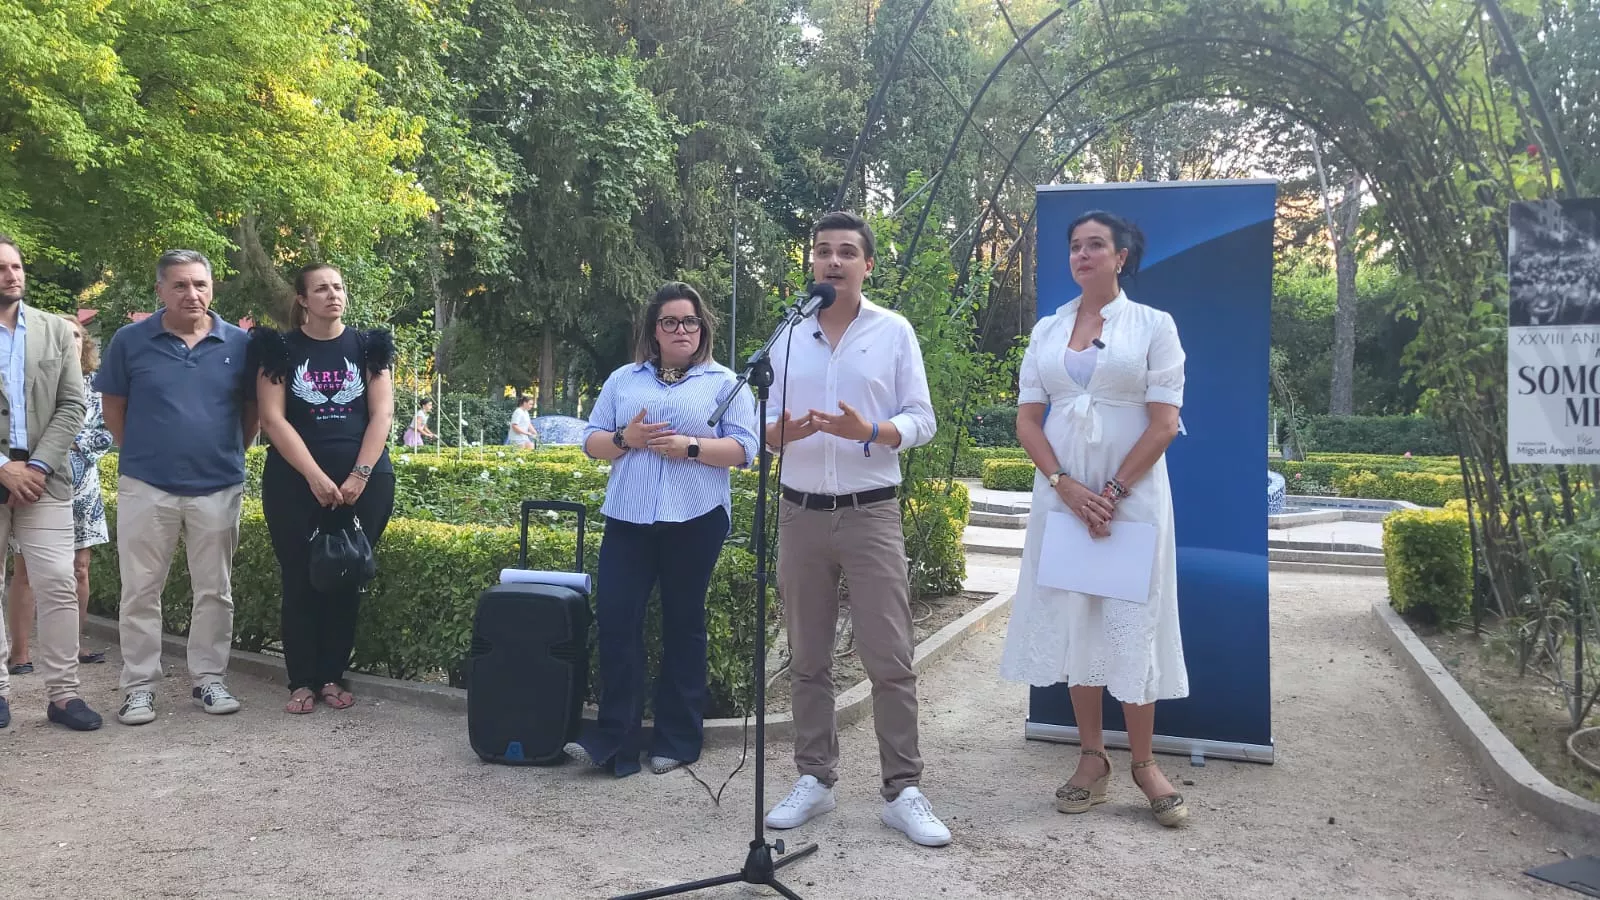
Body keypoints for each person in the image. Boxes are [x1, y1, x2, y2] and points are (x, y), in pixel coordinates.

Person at [761, 212, 949, 847]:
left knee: (889, 656)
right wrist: (783, 432)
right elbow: (764, 429)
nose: (833, 261)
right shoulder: (787, 335)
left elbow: (922, 418)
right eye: (822, 251)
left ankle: (903, 790)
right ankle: (815, 778)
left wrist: (867, 430)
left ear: (867, 265)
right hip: (800, 512)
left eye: (846, 252)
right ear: (811, 263)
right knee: (807, 656)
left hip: (871, 511)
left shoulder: (892, 331)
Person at [998, 210, 1190, 828]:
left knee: (1133, 620)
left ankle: (1144, 764)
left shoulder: (1154, 326)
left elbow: (1165, 422)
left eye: (1096, 245)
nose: (1083, 255)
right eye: (1076, 246)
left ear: (1121, 257)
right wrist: (1068, 487)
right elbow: (1028, 419)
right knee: (1078, 617)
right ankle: (1091, 759)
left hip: (1131, 500)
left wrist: (1109, 493)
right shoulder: (1048, 329)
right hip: (1063, 498)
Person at [565, 282, 758, 777]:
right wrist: (623, 438)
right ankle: (616, 741)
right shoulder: (623, 379)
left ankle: (678, 739)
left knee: (683, 624)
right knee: (616, 621)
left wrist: (691, 447)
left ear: (702, 328)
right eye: (669, 322)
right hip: (628, 517)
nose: (680, 330)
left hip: (695, 518)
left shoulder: (725, 383)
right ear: (654, 330)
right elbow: (590, 442)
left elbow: (745, 449)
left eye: (689, 321)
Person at [97, 249, 257, 726]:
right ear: (160, 291)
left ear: (212, 288)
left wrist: (228, 453)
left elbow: (252, 413)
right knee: (140, 590)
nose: (192, 293)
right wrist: (144, 454)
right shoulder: (130, 340)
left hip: (218, 485)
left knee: (215, 590)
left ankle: (209, 679)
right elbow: (113, 408)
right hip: (147, 485)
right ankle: (139, 687)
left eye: (200, 284)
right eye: (181, 285)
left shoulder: (240, 344)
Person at [251, 264, 396, 714]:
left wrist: (360, 475)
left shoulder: (369, 347)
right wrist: (313, 475)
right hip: (294, 483)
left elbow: (382, 414)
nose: (333, 295)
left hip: (365, 482)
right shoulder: (278, 349)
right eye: (321, 289)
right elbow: (272, 419)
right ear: (302, 299)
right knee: (299, 578)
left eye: (338, 287)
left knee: (347, 576)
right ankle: (302, 681)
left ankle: (332, 676)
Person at [0, 235, 102, 731]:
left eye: (16, 266)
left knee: (59, 583)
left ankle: (64, 696)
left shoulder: (54, 330)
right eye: (2, 268)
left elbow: (73, 404)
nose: (12, 275)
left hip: (45, 479)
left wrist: (37, 466)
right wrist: (3, 466)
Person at [5, 314, 114, 675]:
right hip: (32, 480)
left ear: (85, 342)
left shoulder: (98, 386)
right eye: (64, 335)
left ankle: (73, 649)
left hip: (81, 487)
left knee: (78, 570)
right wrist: (44, 455)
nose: (71, 340)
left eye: (77, 335)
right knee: (25, 571)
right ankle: (20, 653)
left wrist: (62, 444)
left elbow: (108, 432)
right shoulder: (32, 377)